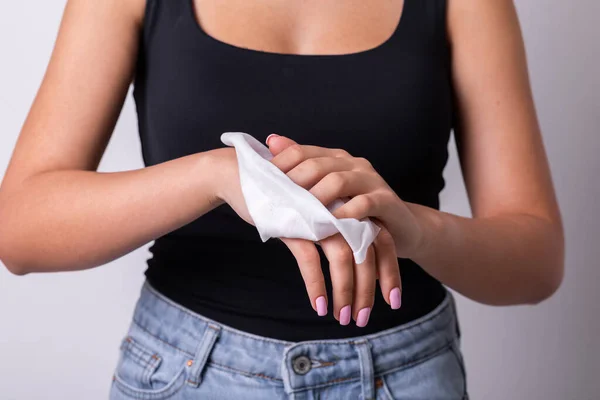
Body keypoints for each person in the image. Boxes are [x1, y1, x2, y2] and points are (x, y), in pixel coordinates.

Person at [0, 0, 564, 398]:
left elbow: (536, 262)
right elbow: (19, 230)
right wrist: (215, 175)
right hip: (186, 374)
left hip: (406, 375)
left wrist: (413, 230)